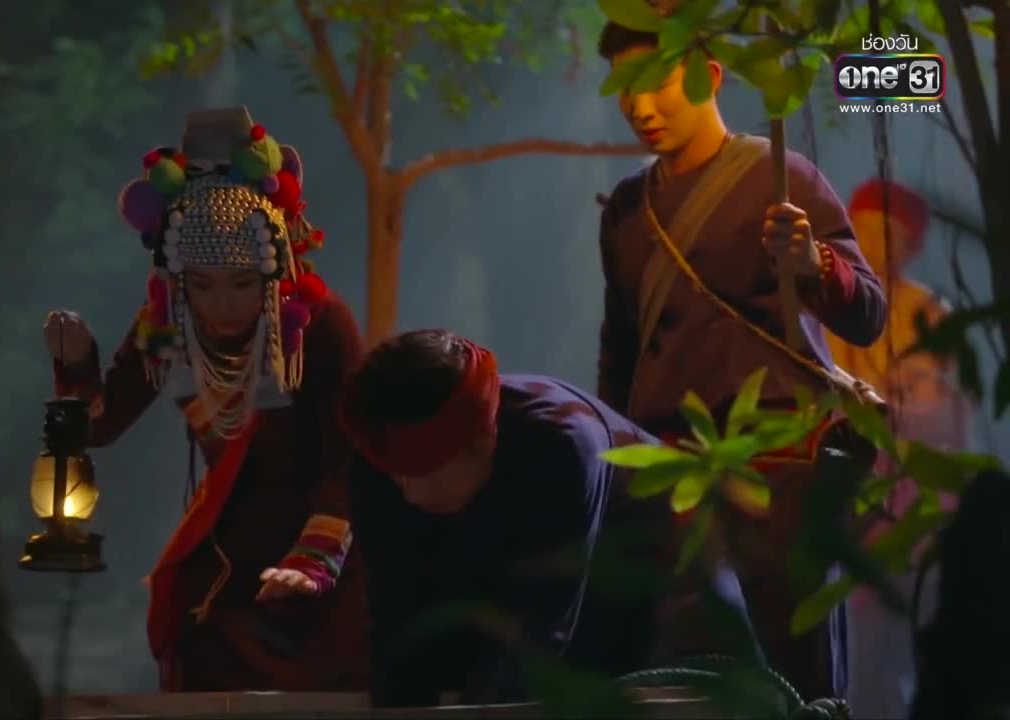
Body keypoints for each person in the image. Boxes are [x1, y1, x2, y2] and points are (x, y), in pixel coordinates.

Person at [595, 22, 887, 701]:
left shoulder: (780, 178)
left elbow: (868, 314)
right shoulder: (628, 211)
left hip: (778, 471)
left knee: (794, 674)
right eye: (626, 91)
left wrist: (815, 263)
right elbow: (621, 355)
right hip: (671, 478)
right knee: (686, 677)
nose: (641, 108)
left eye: (658, 84)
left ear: (710, 76)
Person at [42, 107, 369, 692]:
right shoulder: (168, 326)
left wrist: (312, 560)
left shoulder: (317, 325)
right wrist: (77, 365)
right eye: (202, 285)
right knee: (197, 636)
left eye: (243, 283)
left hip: (326, 541)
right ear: (178, 280)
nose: (222, 305)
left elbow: (348, 462)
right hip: (227, 547)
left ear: (273, 268)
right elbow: (100, 425)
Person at [337, 328, 760, 708]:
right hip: (533, 607)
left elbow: (536, 632)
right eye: (397, 476)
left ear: (485, 439)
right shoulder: (378, 459)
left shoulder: (561, 443)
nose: (411, 494)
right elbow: (398, 627)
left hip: (664, 590)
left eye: (428, 473)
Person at [828, 179, 972, 718]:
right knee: (861, 655)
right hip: (850, 495)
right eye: (862, 230)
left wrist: (887, 412)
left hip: (916, 501)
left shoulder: (927, 313)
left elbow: (944, 413)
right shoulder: (828, 309)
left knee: (918, 634)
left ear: (912, 244)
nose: (872, 244)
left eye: (886, 233)